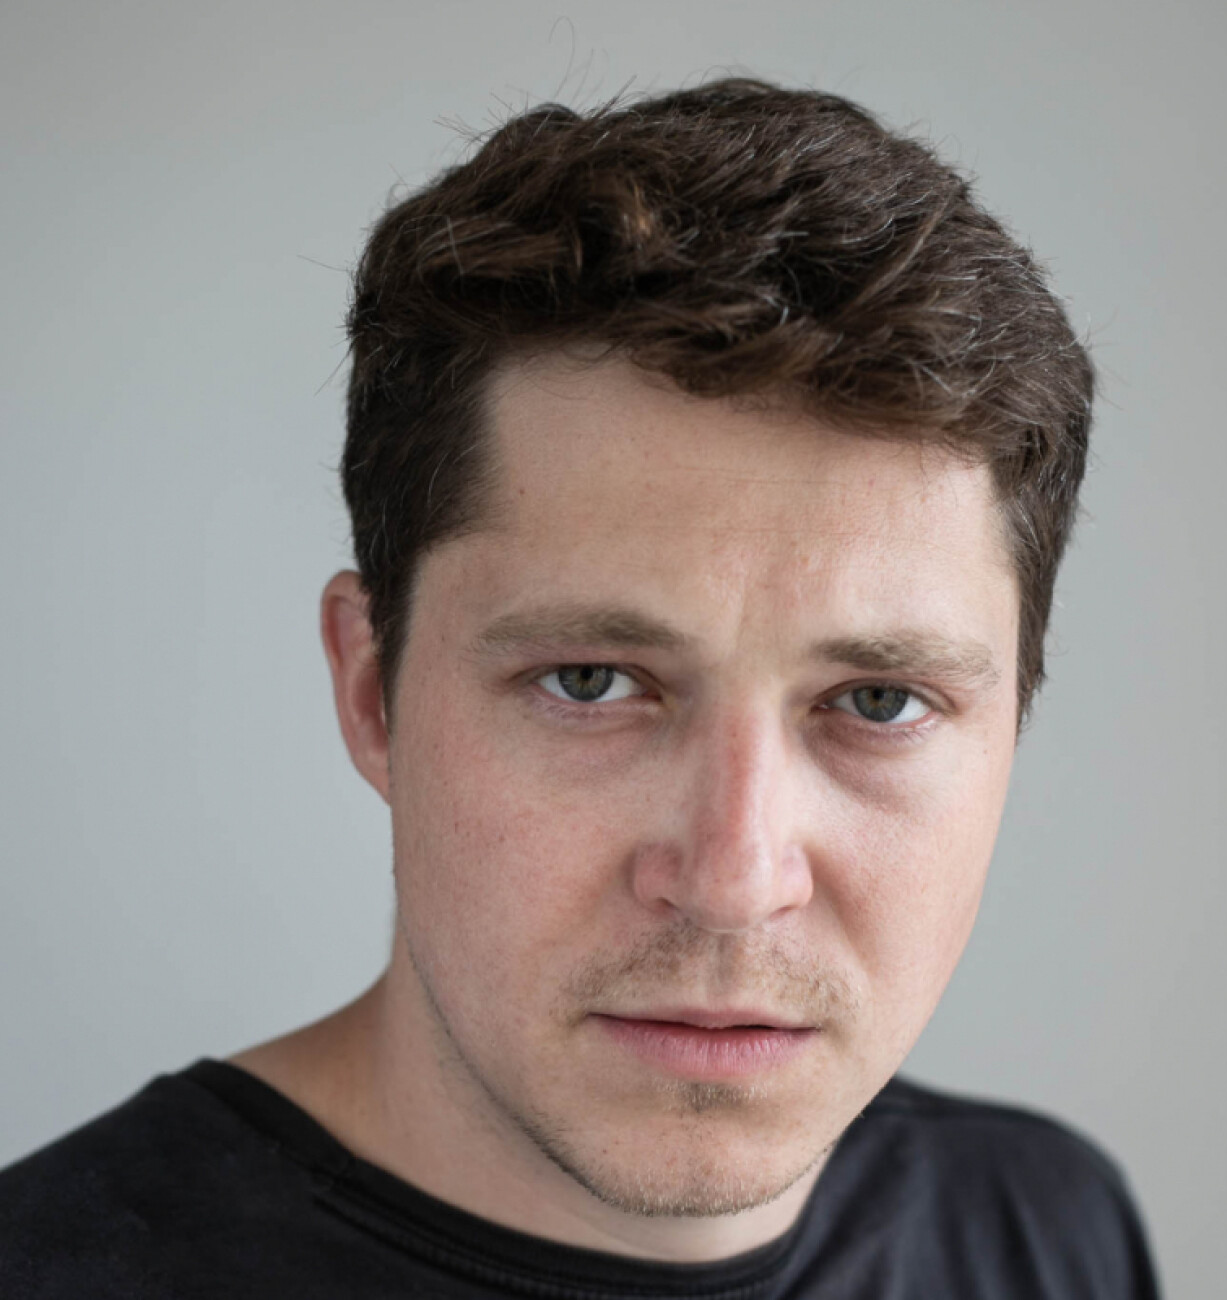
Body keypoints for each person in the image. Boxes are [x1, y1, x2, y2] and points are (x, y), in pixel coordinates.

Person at [0, 78, 1160, 1297]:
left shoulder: (1044, 1229)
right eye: (591, 681)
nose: (731, 881)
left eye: (878, 700)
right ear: (373, 693)